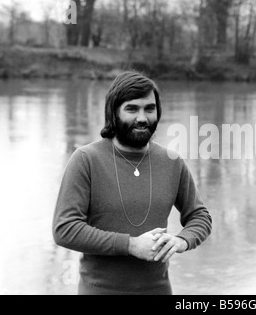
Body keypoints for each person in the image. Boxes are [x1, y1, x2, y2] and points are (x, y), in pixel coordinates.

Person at [53, 71, 212, 295]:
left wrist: (182, 241)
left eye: (149, 108)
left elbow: (200, 216)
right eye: (132, 109)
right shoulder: (85, 160)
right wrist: (131, 245)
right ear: (114, 112)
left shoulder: (172, 162)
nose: (142, 118)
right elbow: (65, 229)